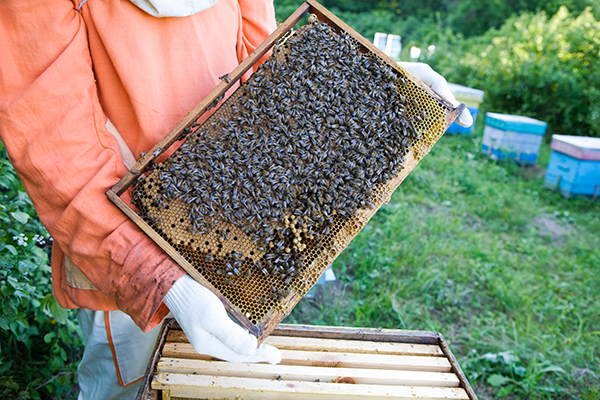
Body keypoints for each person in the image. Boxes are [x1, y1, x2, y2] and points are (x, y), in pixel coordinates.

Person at [0, 1, 472, 398]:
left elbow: (262, 71)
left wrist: (371, 81)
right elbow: (53, 139)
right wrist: (163, 280)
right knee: (130, 385)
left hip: (245, 240)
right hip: (125, 247)